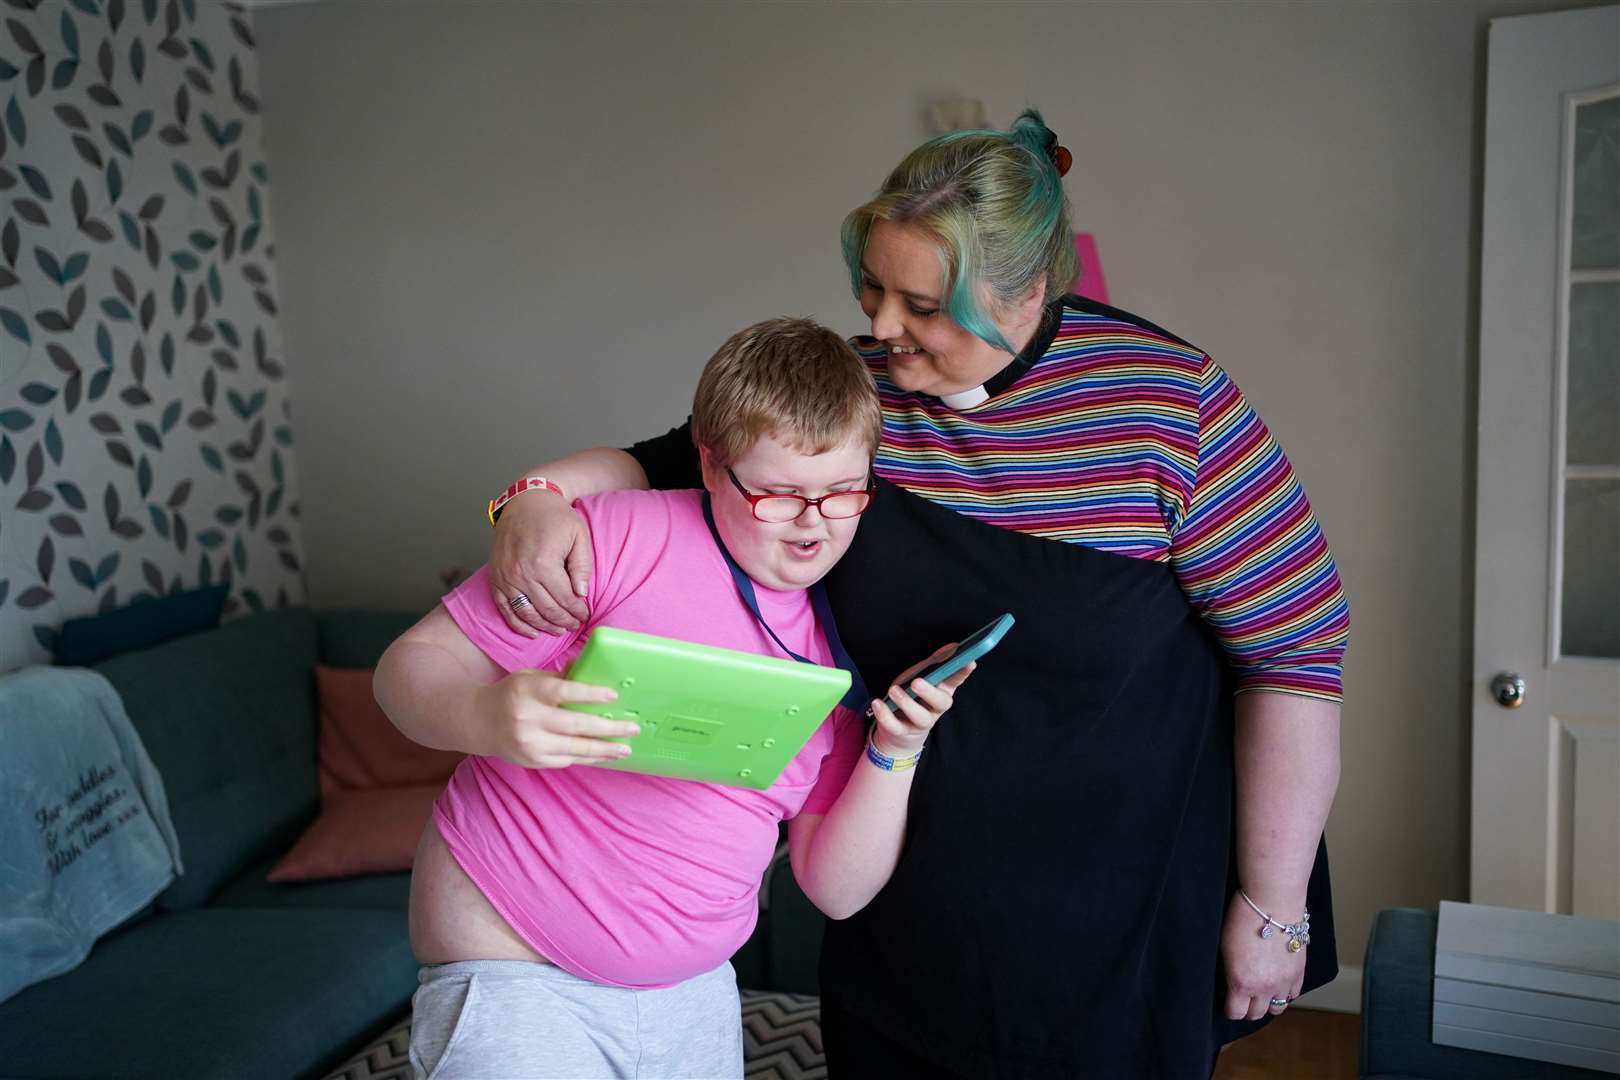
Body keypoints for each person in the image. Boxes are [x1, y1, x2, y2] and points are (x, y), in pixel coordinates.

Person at [480, 110, 1349, 1078]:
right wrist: (534, 498)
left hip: (1119, 900)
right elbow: (666, 463)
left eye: (925, 305)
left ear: (1027, 290)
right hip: (899, 878)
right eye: (872, 287)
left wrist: (1273, 909)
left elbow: (1297, 665)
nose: (884, 329)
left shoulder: (1170, 406)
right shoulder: (860, 390)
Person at [373, 317, 975, 1080]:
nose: (813, 526)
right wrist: (485, 718)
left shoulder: (839, 655)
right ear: (713, 466)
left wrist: (897, 749)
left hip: (693, 1003)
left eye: (842, 493)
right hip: (516, 979)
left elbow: (836, 890)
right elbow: (407, 669)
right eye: (780, 495)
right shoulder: (619, 539)